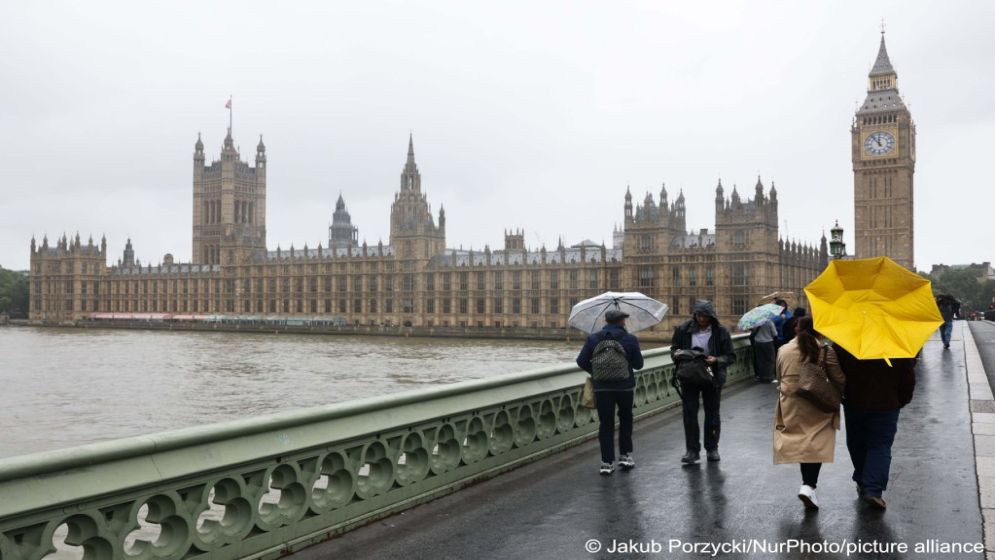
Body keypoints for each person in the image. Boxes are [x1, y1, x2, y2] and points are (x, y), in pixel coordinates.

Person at [773, 317, 845, 510]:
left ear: (797, 329)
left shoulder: (783, 349)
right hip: (817, 401)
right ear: (819, 331)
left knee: (802, 441)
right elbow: (838, 378)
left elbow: (779, 376)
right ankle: (808, 485)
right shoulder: (824, 350)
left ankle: (807, 485)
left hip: (790, 401)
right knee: (815, 443)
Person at [834, 344, 916, 509]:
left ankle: (862, 479)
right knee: (880, 445)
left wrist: (842, 396)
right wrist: (902, 400)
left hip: (854, 402)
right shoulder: (898, 344)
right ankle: (873, 489)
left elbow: (836, 372)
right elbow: (908, 377)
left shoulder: (845, 343)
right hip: (887, 403)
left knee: (856, 442)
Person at [576, 309, 644, 475]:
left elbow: (581, 361)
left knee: (606, 424)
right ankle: (625, 456)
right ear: (622, 321)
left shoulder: (593, 338)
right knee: (626, 418)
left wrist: (597, 373)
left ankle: (606, 462)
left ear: (605, 320)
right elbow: (638, 365)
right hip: (625, 387)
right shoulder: (630, 339)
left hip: (602, 388)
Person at [671, 300, 736, 464]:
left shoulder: (721, 332)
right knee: (689, 414)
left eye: (705, 316)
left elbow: (731, 356)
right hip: (689, 375)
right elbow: (673, 349)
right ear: (695, 315)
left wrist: (717, 359)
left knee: (712, 414)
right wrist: (677, 354)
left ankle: (712, 448)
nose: (702, 319)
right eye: (699, 315)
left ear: (711, 316)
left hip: (711, 375)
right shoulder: (683, 329)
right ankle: (692, 451)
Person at [751, 319, 777, 383]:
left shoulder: (756, 322)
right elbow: (775, 334)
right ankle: (770, 377)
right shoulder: (770, 322)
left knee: (760, 360)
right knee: (770, 360)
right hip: (768, 342)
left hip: (758, 343)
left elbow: (753, 331)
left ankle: (761, 377)